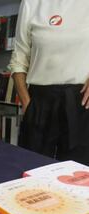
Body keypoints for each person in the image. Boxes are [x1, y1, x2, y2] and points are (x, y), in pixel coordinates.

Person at [9, 0, 89, 165]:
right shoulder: (31, 3)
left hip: (82, 103)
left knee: (79, 177)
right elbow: (19, 57)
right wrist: (27, 104)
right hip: (39, 102)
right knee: (33, 171)